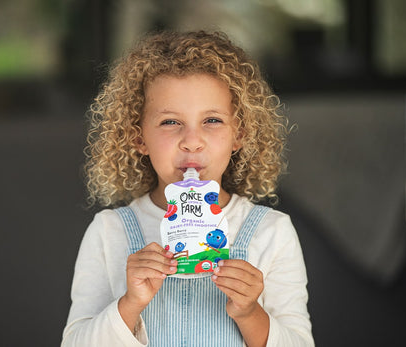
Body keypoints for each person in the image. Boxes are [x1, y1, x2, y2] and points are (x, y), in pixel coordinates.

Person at [62, 30, 313, 347]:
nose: (192, 141)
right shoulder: (109, 233)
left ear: (239, 135)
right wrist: (130, 303)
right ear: (139, 138)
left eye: (212, 120)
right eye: (170, 122)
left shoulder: (271, 232)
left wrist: (250, 313)